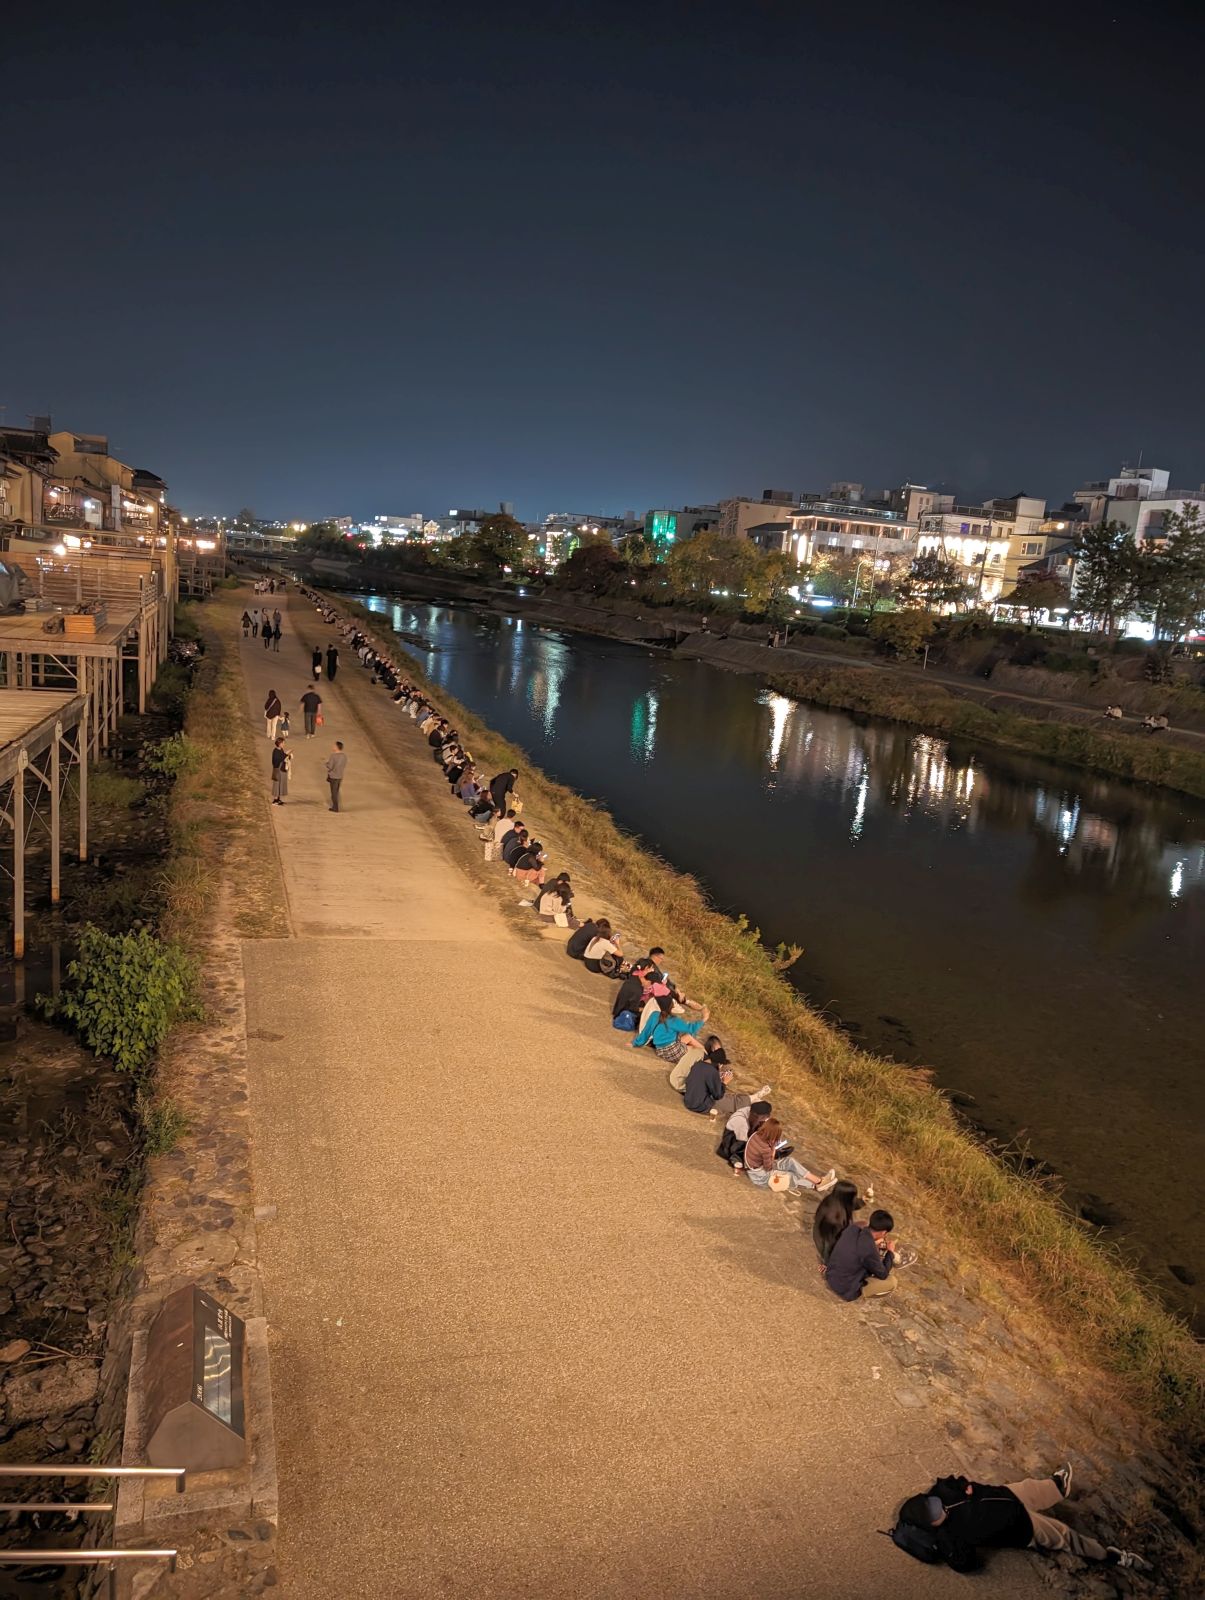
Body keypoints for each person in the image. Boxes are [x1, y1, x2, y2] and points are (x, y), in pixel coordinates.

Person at [894, 1464, 1151, 1573]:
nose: (942, 1511)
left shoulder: (939, 1495)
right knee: (1064, 1535)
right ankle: (1111, 1555)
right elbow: (965, 1564)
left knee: (1035, 1488)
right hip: (1022, 1528)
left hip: (1007, 1496)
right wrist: (948, 1545)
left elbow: (950, 1481)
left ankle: (1058, 1486)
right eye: (937, 1517)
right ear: (931, 1527)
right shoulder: (949, 1536)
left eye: (936, 1506)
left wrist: (965, 1486)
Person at [743, 1116, 836, 1195]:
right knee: (791, 1176)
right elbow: (769, 1168)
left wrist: (772, 1147)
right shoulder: (765, 1149)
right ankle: (816, 1185)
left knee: (790, 1161)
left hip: (756, 1167)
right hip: (760, 1176)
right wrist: (773, 1153)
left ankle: (819, 1181)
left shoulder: (756, 1134)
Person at [824, 1207, 896, 1298]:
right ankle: (863, 1293)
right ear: (884, 1232)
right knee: (892, 1282)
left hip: (831, 1274)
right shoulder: (869, 1250)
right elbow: (883, 1274)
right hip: (843, 1289)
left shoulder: (853, 1228)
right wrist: (890, 1252)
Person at [632, 993, 709, 1067]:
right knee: (695, 1050)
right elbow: (691, 1028)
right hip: (671, 1051)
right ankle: (707, 1060)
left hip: (660, 1050)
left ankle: (707, 1055)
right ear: (671, 1006)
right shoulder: (673, 1020)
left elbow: (646, 1032)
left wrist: (635, 1043)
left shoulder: (654, 1015)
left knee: (688, 1037)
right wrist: (704, 1018)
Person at [812, 1179, 861, 1268]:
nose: (855, 1198)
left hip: (833, 1236)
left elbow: (851, 1204)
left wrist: (864, 1200)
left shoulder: (835, 1200)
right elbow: (832, 1240)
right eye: (853, 1196)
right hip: (828, 1241)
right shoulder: (832, 1215)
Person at [611, 959, 654, 1023]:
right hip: (623, 1013)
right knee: (649, 1014)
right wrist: (644, 1010)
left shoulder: (634, 975)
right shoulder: (638, 989)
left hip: (618, 1007)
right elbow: (633, 1008)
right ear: (646, 968)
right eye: (651, 968)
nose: (652, 969)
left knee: (642, 1003)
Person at [325, 740, 347, 812]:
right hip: (340, 776)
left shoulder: (333, 756)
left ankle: (335, 807)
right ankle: (335, 806)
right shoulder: (344, 756)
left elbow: (330, 766)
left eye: (334, 746)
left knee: (333, 793)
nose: (333, 746)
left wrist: (326, 764)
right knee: (336, 791)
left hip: (333, 776)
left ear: (337, 747)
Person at [271, 737, 290, 805]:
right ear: (279, 744)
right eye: (283, 743)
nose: (284, 744)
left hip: (281, 769)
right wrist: (286, 754)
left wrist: (287, 755)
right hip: (277, 770)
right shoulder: (275, 751)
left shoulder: (280, 749)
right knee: (277, 784)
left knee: (280, 784)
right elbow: (278, 760)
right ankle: (275, 800)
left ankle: (278, 799)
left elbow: (283, 756)